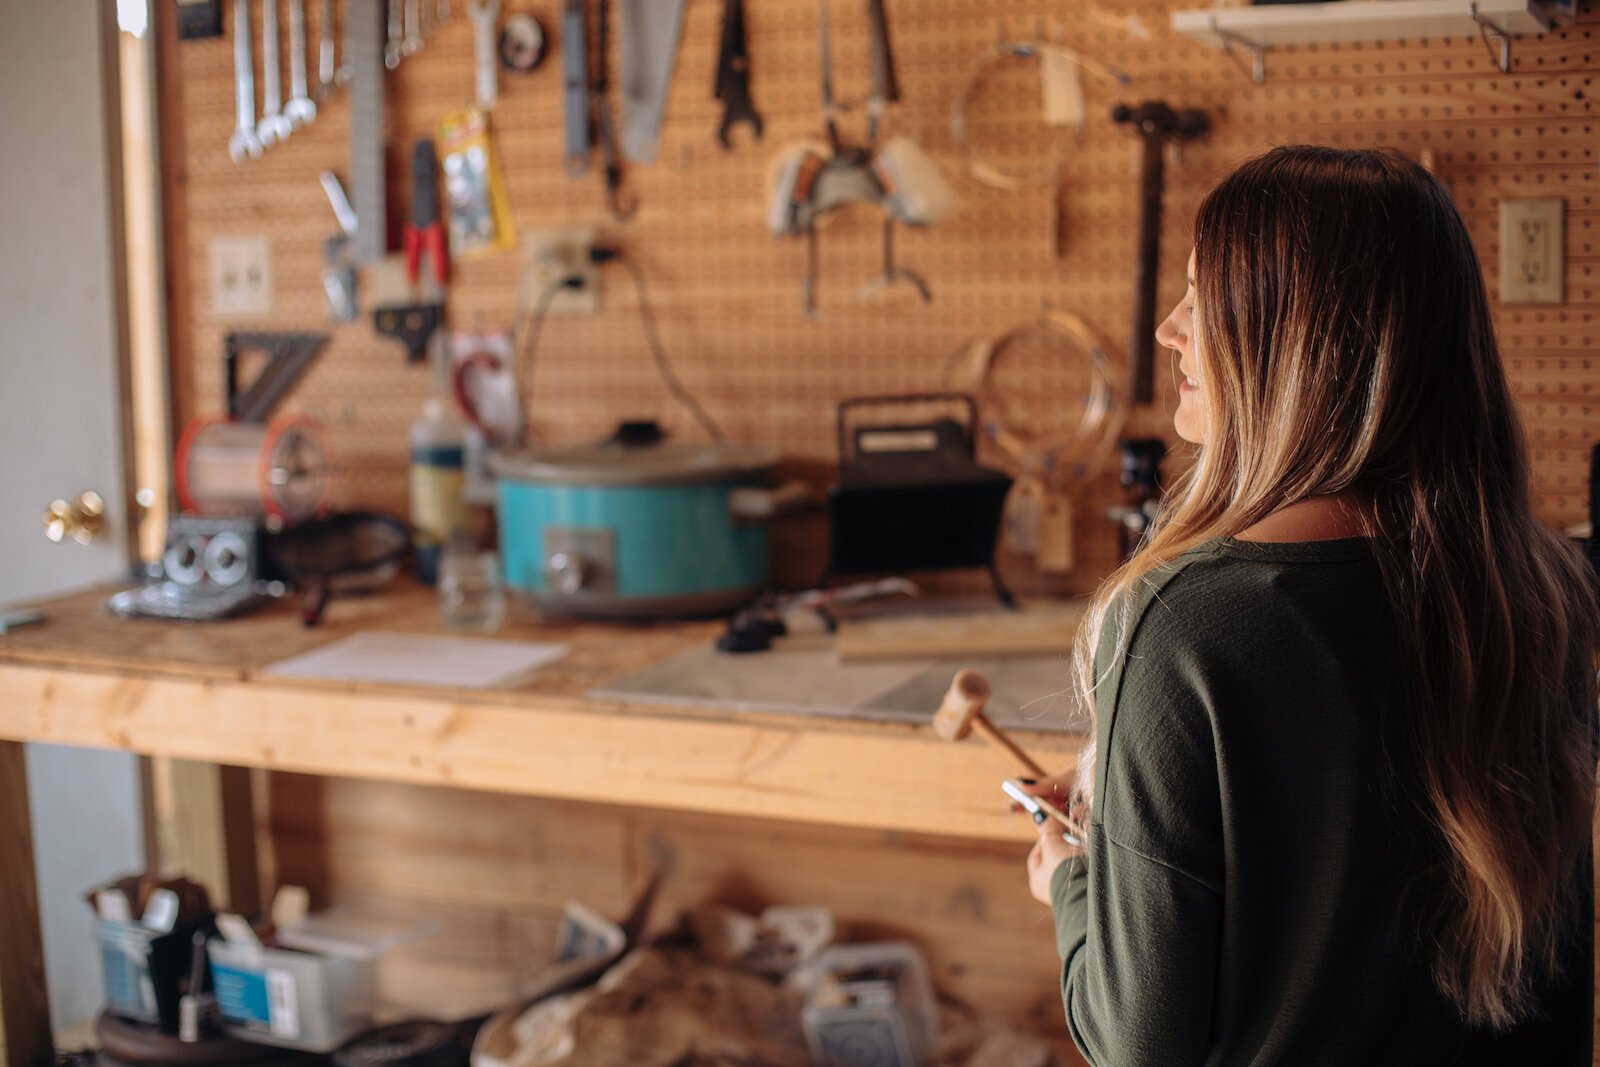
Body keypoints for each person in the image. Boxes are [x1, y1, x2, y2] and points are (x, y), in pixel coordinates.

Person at [1021, 145, 1598, 1066]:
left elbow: (1139, 1042)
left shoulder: (1180, 626)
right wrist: (1130, 811)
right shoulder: (1538, 590)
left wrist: (1076, 883)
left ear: (1297, 340)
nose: (1171, 330)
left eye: (1203, 294)